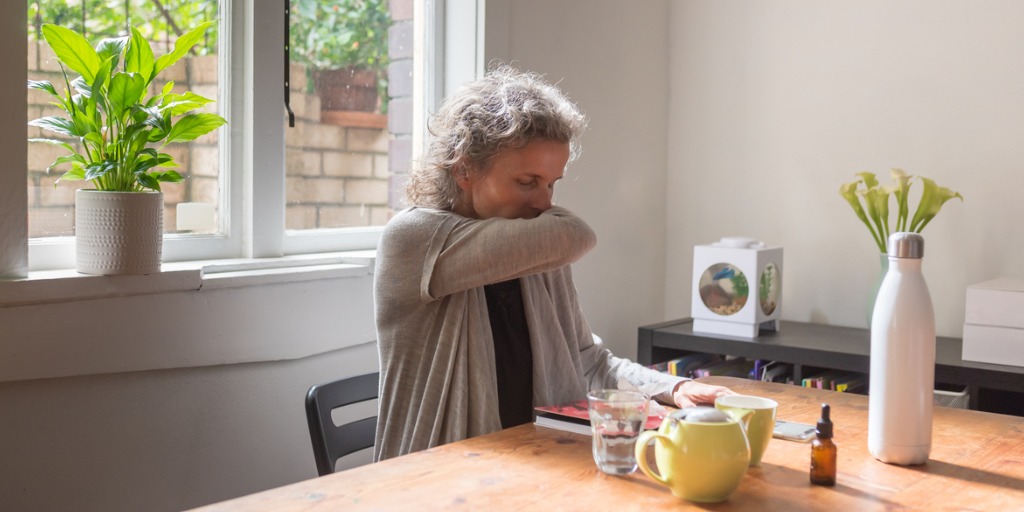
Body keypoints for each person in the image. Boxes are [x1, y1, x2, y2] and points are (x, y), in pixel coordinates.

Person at [373, 65, 733, 461]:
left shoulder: (536, 246)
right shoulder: (415, 239)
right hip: (435, 477)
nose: (545, 203)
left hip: (536, 463)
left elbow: (588, 361)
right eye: (527, 182)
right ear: (463, 169)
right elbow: (576, 234)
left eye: (552, 183)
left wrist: (674, 389)